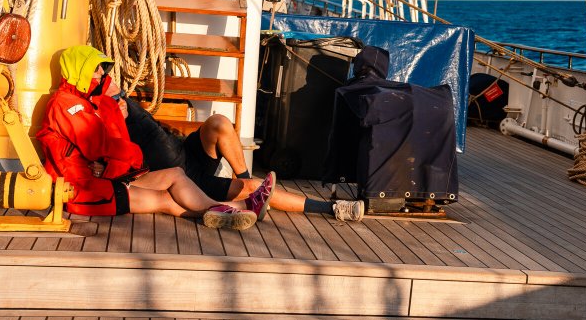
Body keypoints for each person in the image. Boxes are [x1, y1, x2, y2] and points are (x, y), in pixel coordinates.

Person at [36, 45, 363, 230]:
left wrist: (110, 108)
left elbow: (107, 144)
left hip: (174, 153)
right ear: (80, 72)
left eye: (103, 72)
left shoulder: (96, 101)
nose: (103, 76)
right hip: (154, 170)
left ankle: (244, 187)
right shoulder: (78, 106)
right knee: (198, 186)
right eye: (97, 71)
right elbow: (107, 152)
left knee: (219, 122)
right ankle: (319, 207)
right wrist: (114, 119)